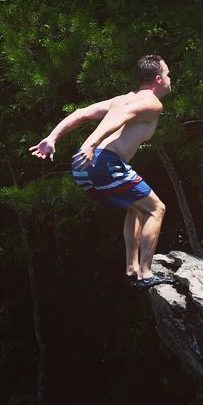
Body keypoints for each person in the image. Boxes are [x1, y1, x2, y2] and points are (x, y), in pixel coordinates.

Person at [29, 54, 175, 289]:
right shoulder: (152, 103)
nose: (170, 79)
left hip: (83, 168)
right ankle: (146, 274)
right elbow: (120, 119)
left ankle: (131, 270)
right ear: (158, 79)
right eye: (168, 74)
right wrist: (92, 144)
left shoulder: (123, 99)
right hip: (103, 162)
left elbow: (82, 112)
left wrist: (52, 137)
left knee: (135, 208)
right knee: (157, 209)